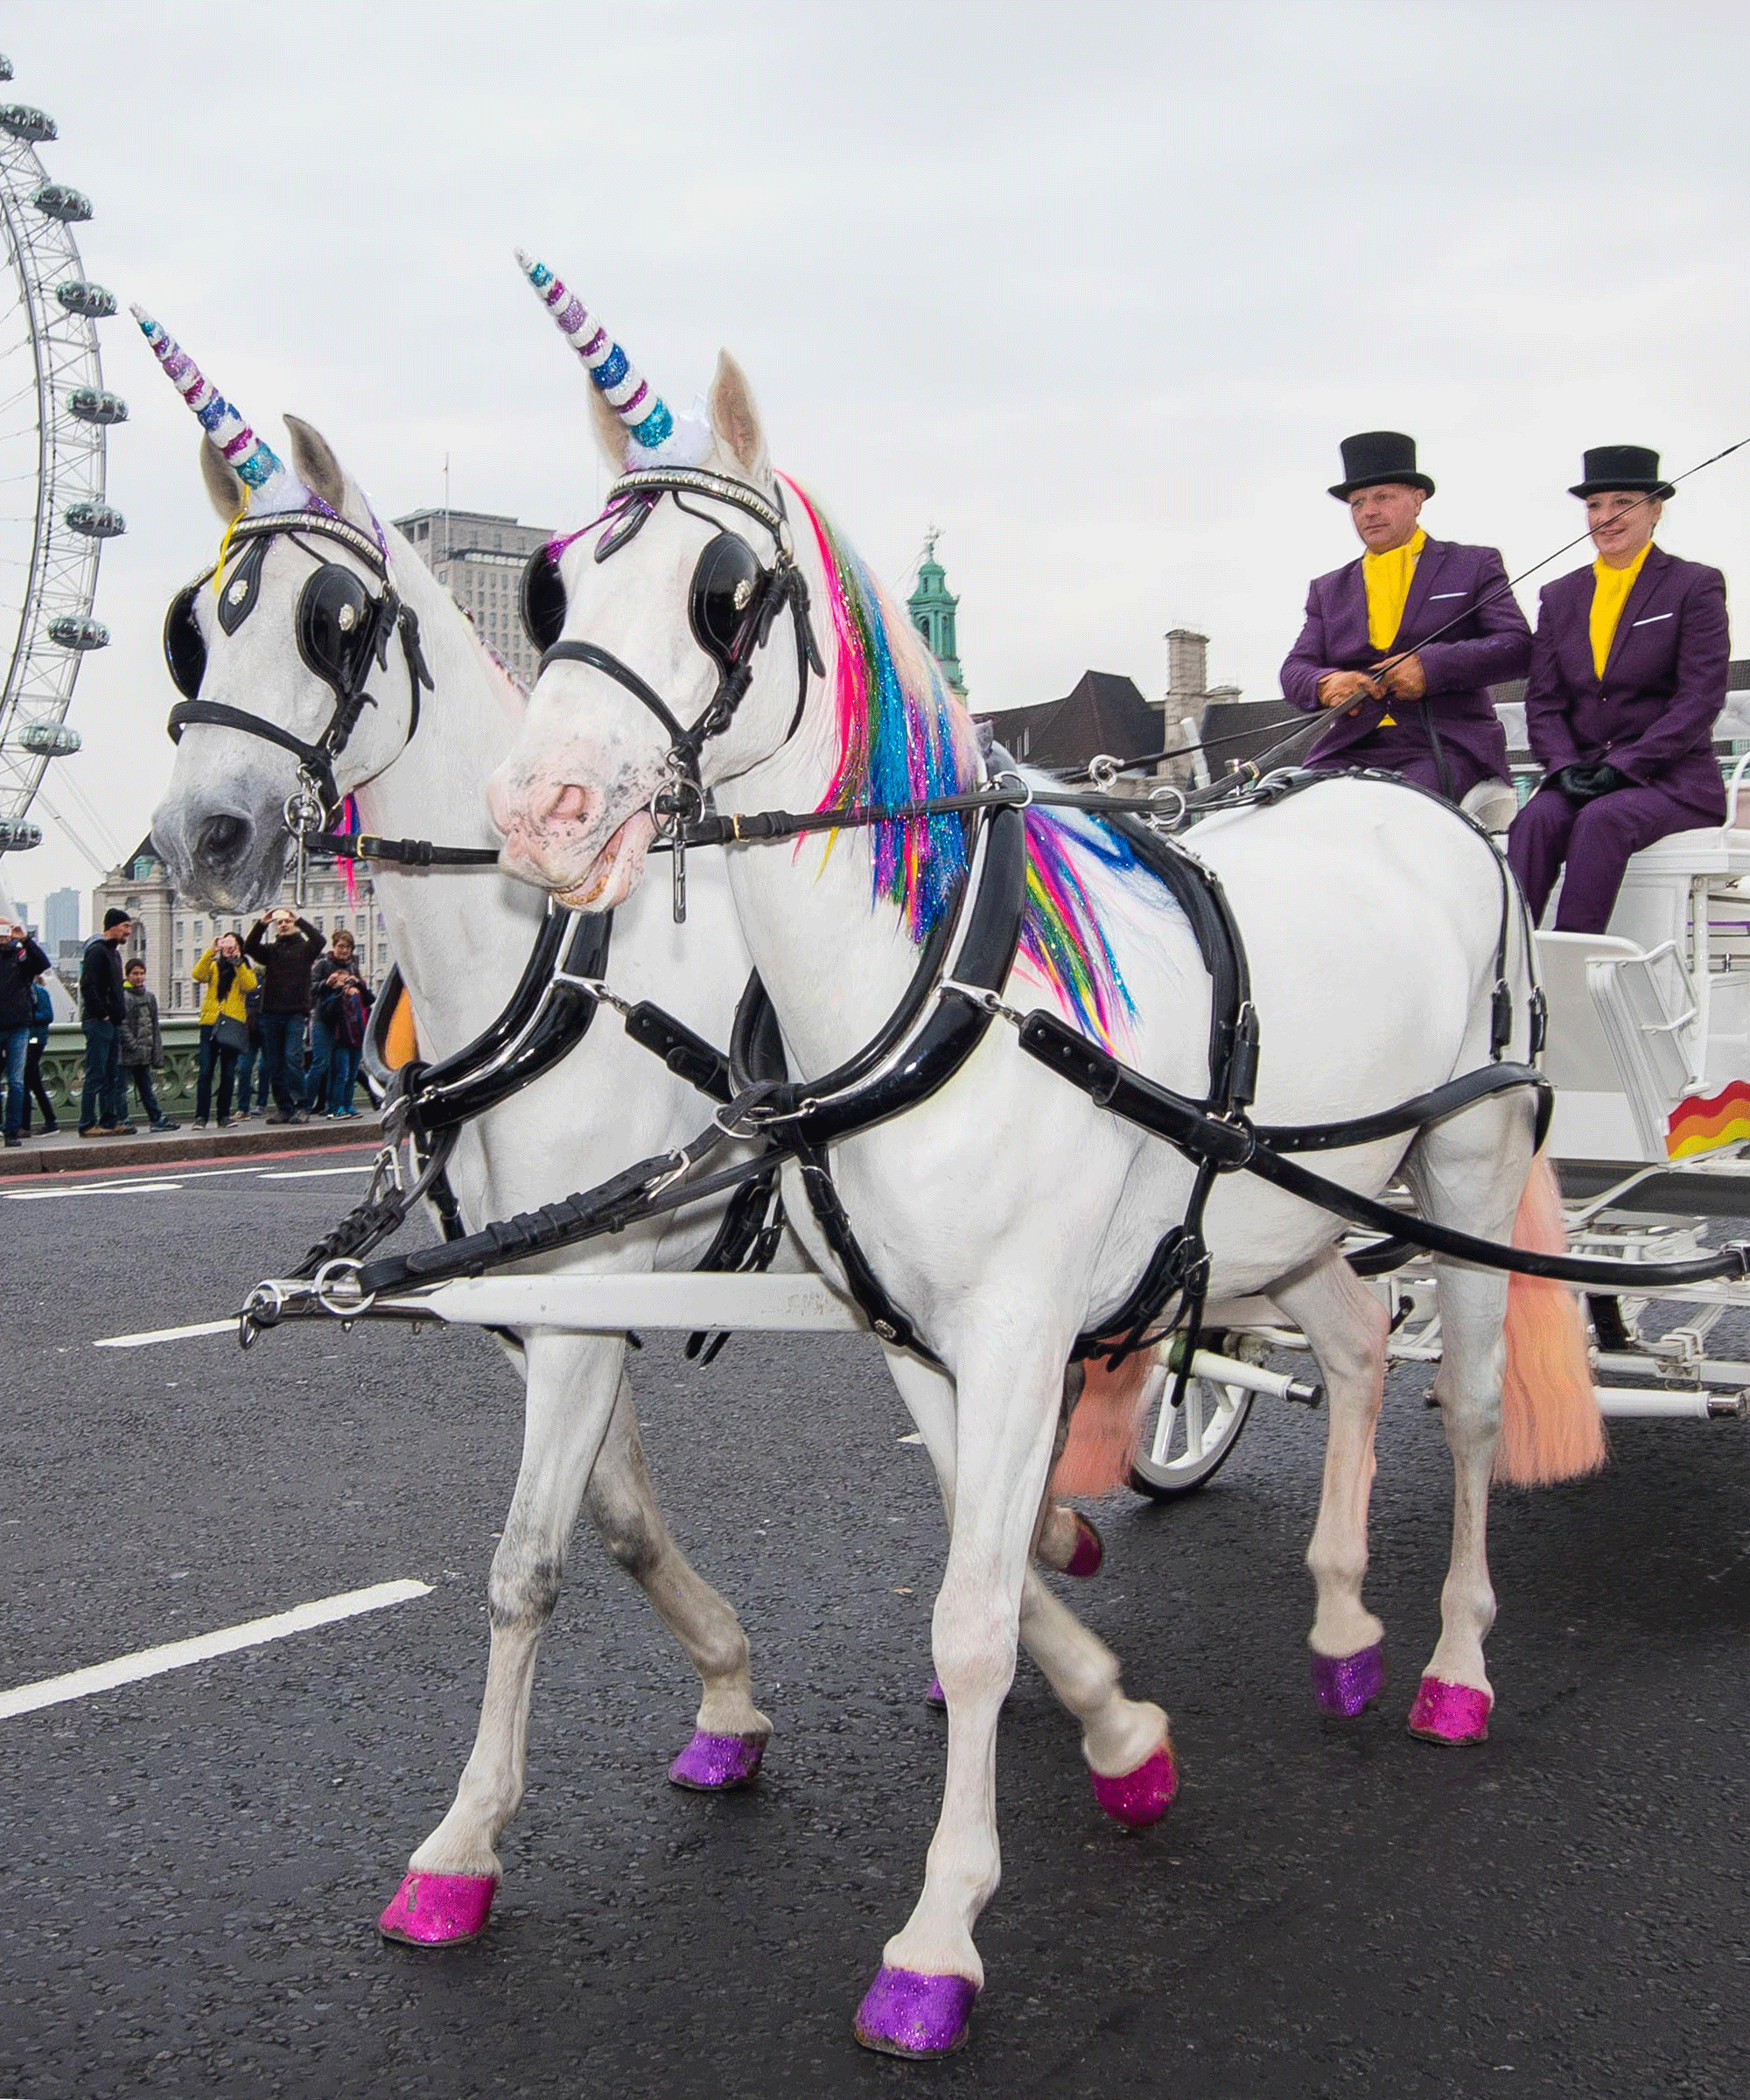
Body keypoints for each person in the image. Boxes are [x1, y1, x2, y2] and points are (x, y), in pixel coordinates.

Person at [1506, 446, 1730, 934]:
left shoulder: (1694, 585)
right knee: (1534, 821)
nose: (1606, 517)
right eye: (1595, 505)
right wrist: (1563, 766)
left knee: (1602, 820)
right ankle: (1508, 958)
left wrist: (1625, 766)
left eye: (1623, 502)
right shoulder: (1559, 595)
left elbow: (1699, 698)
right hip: (1583, 773)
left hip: (1671, 781)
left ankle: (1573, 958)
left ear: (1655, 509)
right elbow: (1544, 702)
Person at [1281, 430, 1532, 803]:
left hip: (1445, 745)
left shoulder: (1473, 565)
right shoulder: (1328, 589)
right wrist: (1326, 682)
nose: (1369, 511)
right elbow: (1294, 669)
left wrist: (1430, 667)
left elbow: (1517, 646)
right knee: (1293, 809)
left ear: (1417, 500)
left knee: (1394, 810)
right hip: (1352, 747)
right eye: (1358, 502)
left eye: (1383, 497)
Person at [242, 906, 322, 1124]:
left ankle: (302, 1105)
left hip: (295, 1013)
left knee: (292, 1058)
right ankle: (284, 1107)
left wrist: (300, 920)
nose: (284, 925)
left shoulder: (305, 949)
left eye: (287, 922)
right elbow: (249, 947)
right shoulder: (270, 951)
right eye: (280, 923)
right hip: (270, 1014)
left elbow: (320, 941)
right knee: (274, 1064)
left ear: (294, 925)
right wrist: (262, 923)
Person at [191, 929, 257, 1129]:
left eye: (233, 945)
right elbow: (197, 975)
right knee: (205, 1072)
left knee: (228, 1074)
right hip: (210, 1023)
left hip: (233, 1024)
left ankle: (224, 1116)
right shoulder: (214, 966)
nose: (229, 948)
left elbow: (250, 986)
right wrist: (210, 951)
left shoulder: (244, 967)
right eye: (226, 944)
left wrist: (238, 962)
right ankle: (201, 1117)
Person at [78, 907, 135, 1137]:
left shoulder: (114, 954)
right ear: (112, 926)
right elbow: (87, 986)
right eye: (125, 926)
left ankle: (110, 1120)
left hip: (112, 1022)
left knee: (111, 1073)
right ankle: (87, 1123)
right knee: (96, 1073)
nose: (129, 932)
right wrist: (102, 1013)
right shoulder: (97, 952)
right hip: (98, 1022)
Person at [307, 930, 374, 1117]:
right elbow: (311, 988)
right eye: (341, 946)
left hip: (347, 1024)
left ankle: (342, 1105)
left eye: (348, 947)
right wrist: (328, 984)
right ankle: (306, 1105)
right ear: (334, 946)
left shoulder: (352, 966)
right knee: (323, 1064)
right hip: (325, 1018)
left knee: (346, 1069)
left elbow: (368, 998)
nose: (344, 950)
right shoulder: (323, 964)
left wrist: (357, 984)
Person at [0, 914, 52, 1150]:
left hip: (19, 1027)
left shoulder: (20, 956)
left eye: (6, 931)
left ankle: (12, 1131)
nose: (3, 936)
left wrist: (25, 939)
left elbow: (42, 965)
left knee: (16, 1082)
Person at [120, 957, 180, 1132]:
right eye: (135, 974)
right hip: (126, 1052)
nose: (139, 977)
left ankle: (157, 1119)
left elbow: (155, 1026)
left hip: (144, 1052)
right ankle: (123, 1120)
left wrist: (155, 1051)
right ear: (127, 975)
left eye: (141, 973)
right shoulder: (124, 997)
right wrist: (133, 1045)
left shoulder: (149, 997)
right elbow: (121, 1024)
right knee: (121, 1089)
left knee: (147, 1088)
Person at [20, 967, 56, 1137]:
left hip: (35, 1040)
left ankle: (25, 1125)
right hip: (30, 1039)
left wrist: (28, 1017)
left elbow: (48, 1015)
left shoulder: (39, 992)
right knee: (34, 1082)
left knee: (25, 1080)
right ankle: (50, 1121)